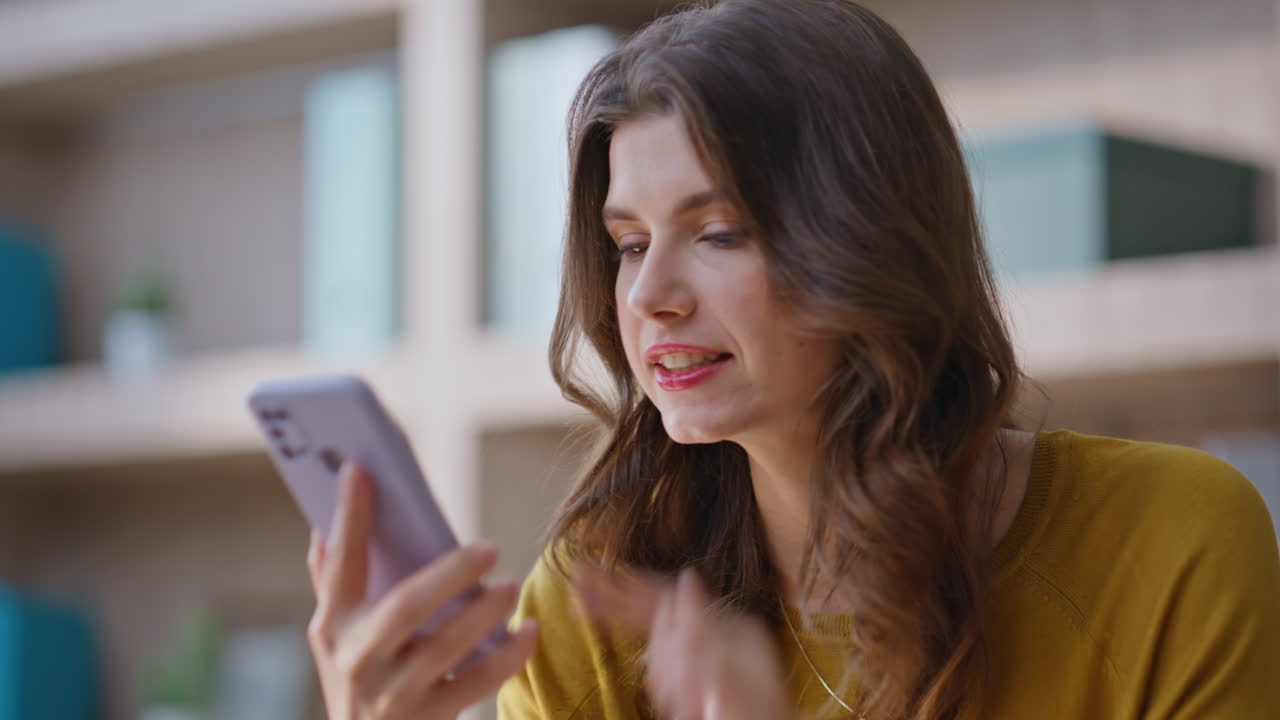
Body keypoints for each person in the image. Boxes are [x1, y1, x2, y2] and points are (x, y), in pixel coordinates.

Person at [303, 1, 1280, 718]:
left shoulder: (1168, 546)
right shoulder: (593, 597)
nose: (648, 298)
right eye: (630, 242)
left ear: (866, 239)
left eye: (718, 231)